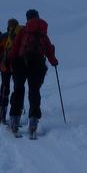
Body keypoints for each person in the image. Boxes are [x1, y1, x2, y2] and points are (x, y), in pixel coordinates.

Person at [10, 9, 58, 139]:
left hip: (21, 63)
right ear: (38, 17)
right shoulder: (43, 32)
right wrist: (53, 61)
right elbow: (49, 50)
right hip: (38, 64)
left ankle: (14, 119)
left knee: (18, 90)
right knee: (34, 91)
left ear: (27, 18)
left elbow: (15, 47)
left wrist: (10, 61)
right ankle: (33, 120)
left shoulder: (23, 31)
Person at [0, 18, 22, 126]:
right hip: (18, 67)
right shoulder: (22, 35)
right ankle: (16, 113)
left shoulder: (4, 36)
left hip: (5, 66)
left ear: (8, 26)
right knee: (17, 89)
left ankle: (2, 112)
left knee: (5, 88)